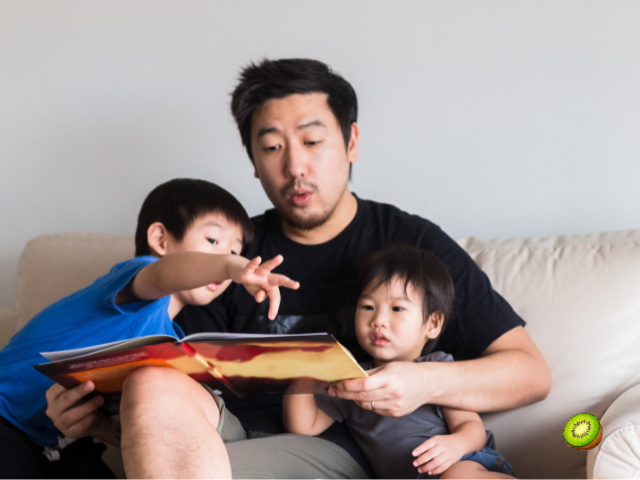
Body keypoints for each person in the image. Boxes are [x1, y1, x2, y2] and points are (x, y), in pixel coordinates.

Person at [45, 58, 551, 478]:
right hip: (242, 443)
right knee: (151, 380)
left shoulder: (409, 244)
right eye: (271, 148)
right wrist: (94, 422)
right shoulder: (228, 253)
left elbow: (530, 373)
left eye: (312, 142)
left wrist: (422, 383)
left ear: (351, 143)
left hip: (369, 452)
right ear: (253, 160)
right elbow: (167, 413)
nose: (294, 167)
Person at [0, 178, 299, 479]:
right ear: (160, 239)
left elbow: (137, 426)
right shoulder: (137, 278)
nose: (229, 257)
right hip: (6, 417)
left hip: (62, 443)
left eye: (236, 250)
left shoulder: (173, 342)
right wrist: (231, 267)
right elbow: (162, 274)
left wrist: (97, 426)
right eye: (213, 241)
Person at [283, 244, 515, 479]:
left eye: (397, 308)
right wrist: (301, 372)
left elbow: (472, 427)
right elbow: (303, 427)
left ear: (433, 324)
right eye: (368, 306)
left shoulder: (438, 367)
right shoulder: (353, 381)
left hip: (461, 462)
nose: (378, 320)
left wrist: (455, 445)